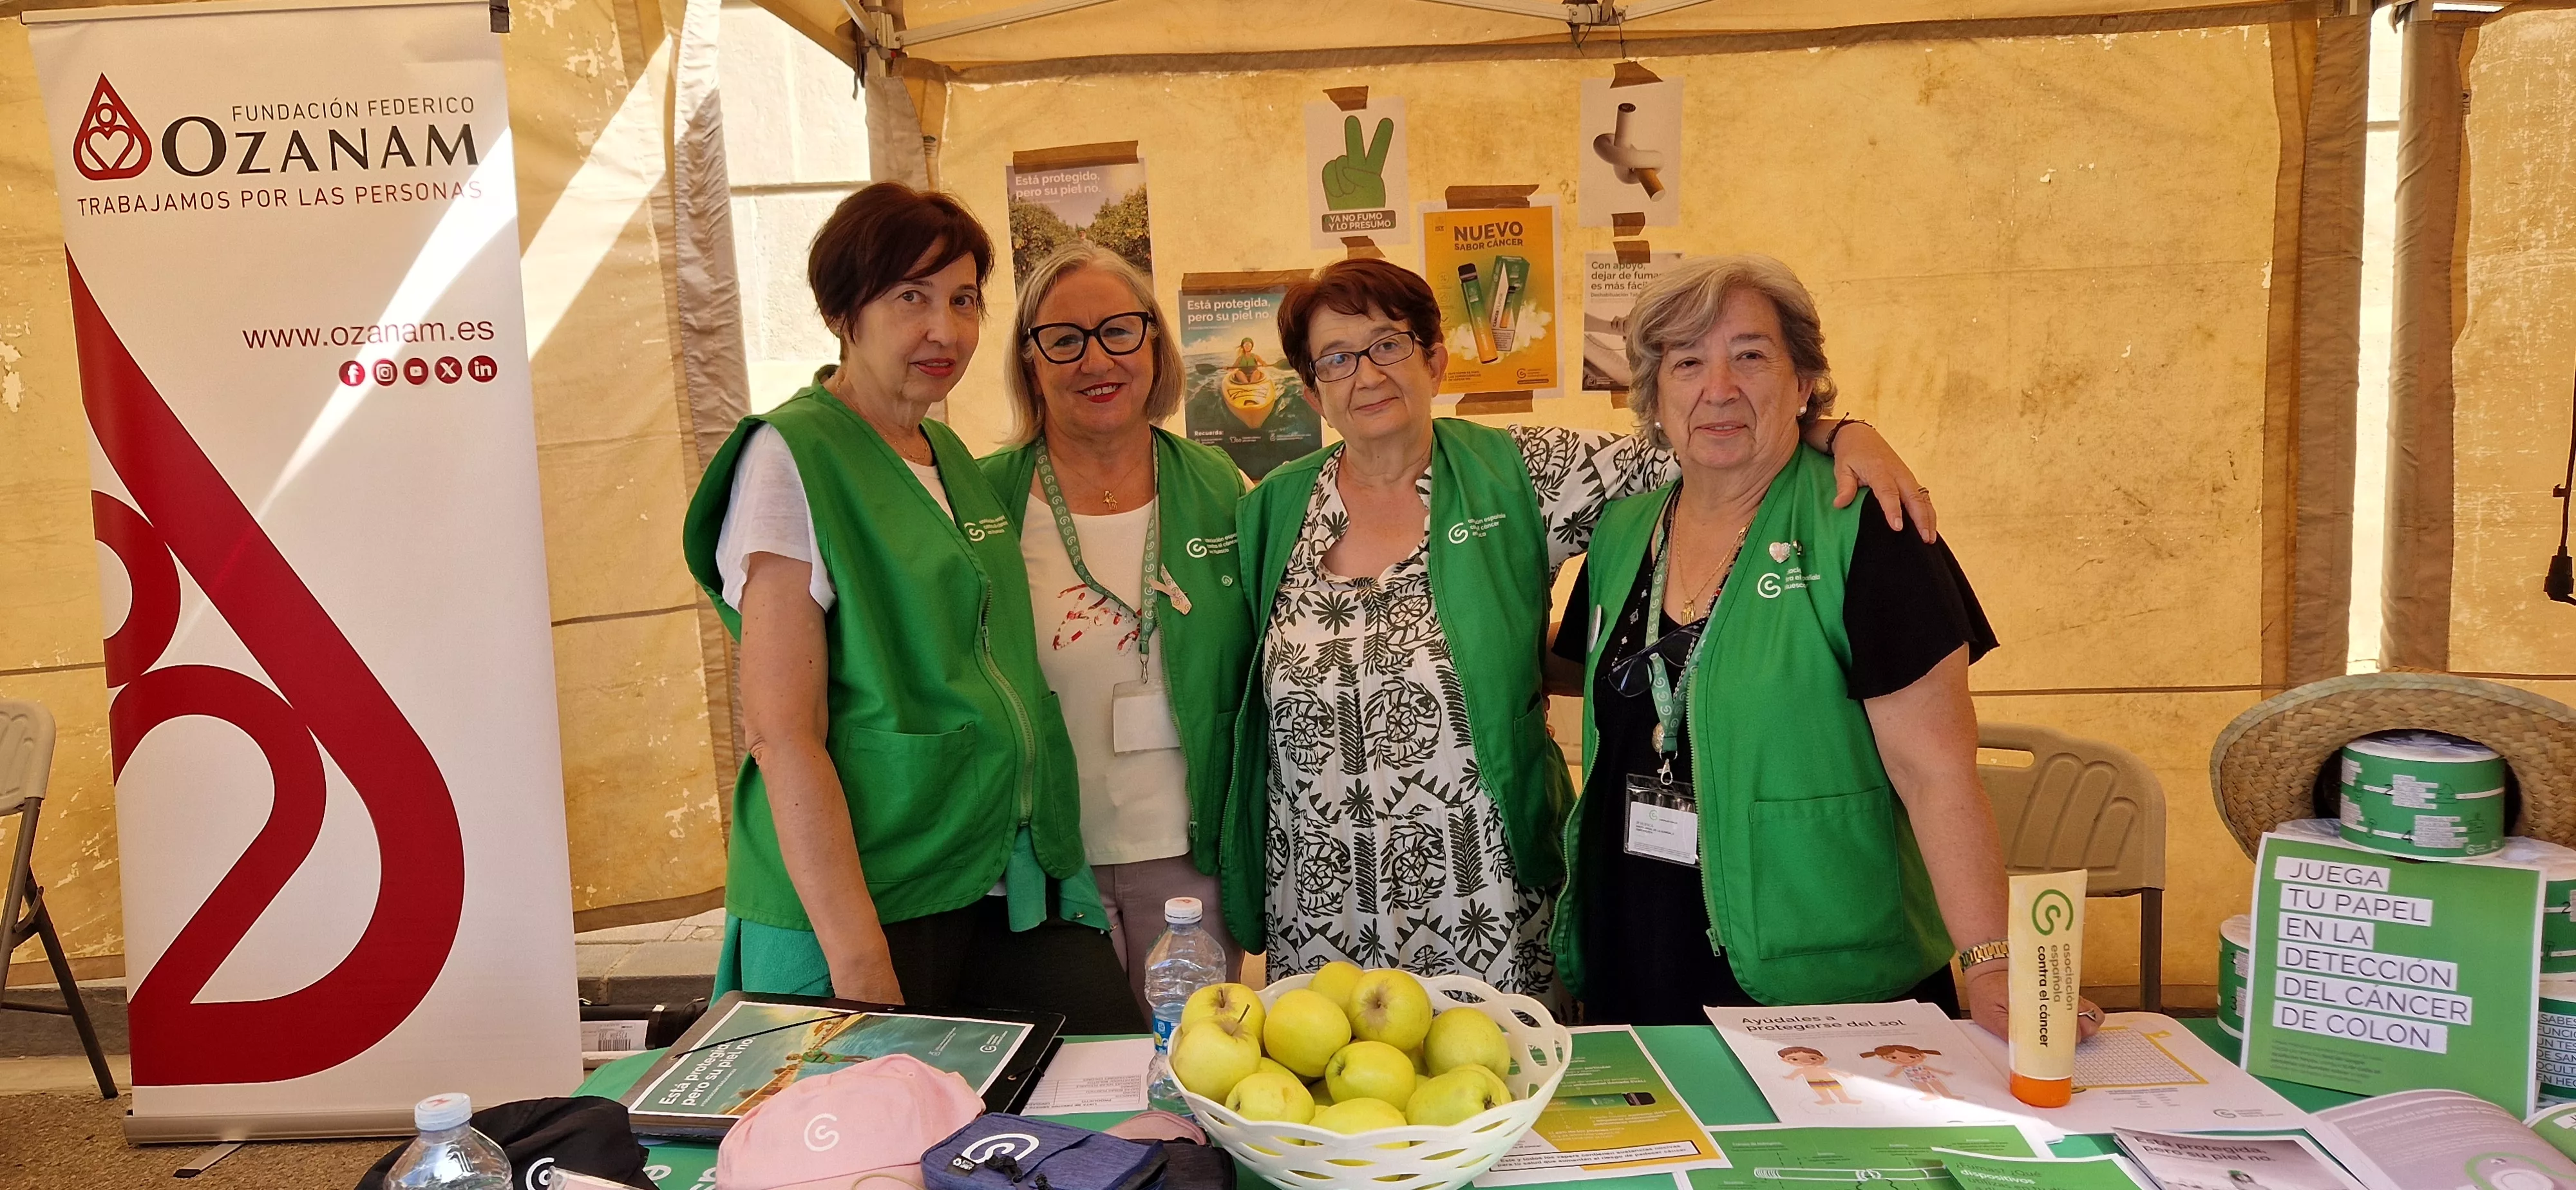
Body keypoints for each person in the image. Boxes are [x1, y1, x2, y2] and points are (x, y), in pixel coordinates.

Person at [1221, 258, 1938, 998]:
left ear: (1434, 359)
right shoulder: (1270, 512)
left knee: (1500, 1091)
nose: (1366, 374)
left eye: (1388, 345)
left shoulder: (1521, 470)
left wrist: (1839, 431)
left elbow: (1706, 436)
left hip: (1484, 892)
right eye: (1336, 358)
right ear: (1310, 389)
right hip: (1319, 892)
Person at [1549, 254, 2101, 1038]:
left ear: (1803, 382)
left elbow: (1935, 769)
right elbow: (1595, 678)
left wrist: (1991, 958)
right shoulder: (1623, 531)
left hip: (1817, 971)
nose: (1719, 388)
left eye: (1750, 355)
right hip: (1635, 950)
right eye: (1687, 362)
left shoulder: (1868, 523)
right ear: (1654, 395)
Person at [679, 182, 1137, 1033]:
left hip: (1002, 872)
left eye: (964, 300)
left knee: (1100, 1102)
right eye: (911, 298)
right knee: (875, 1152)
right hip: (870, 894)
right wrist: (857, 962)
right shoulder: (793, 456)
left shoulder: (949, 455)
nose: (946, 330)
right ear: (842, 313)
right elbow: (782, 732)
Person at [976, 244, 1255, 1015]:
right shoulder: (982, 498)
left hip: (1188, 853)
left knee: (1189, 1071)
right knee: (1075, 1082)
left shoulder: (1218, 485)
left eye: (1118, 332)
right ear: (1031, 361)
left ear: (1154, 345)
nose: (1095, 359)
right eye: (1063, 339)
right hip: (1045, 858)